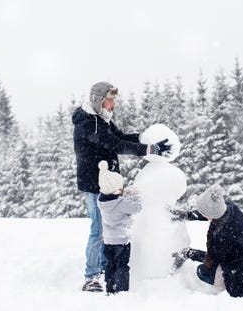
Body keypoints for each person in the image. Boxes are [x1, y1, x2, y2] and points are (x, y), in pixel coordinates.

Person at [72, 81, 171, 292]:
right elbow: (116, 145)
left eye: (114, 100)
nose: (113, 104)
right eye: (109, 100)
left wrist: (144, 140)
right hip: (94, 185)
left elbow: (120, 137)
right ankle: (91, 276)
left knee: (107, 228)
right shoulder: (89, 124)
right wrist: (148, 149)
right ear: (98, 101)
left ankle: (105, 267)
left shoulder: (101, 120)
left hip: (107, 183)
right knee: (99, 230)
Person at [171, 183, 243, 297]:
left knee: (204, 272)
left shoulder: (223, 236)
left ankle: (231, 291)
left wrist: (187, 253)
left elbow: (212, 259)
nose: (202, 214)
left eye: (203, 212)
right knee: (215, 267)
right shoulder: (229, 208)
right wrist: (187, 215)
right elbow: (211, 212)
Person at [96, 160, 142, 294]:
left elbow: (115, 199)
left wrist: (121, 194)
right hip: (121, 241)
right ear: (115, 190)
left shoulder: (102, 202)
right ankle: (121, 291)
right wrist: (136, 196)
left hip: (108, 240)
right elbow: (137, 208)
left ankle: (110, 288)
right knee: (122, 266)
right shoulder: (121, 203)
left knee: (110, 265)